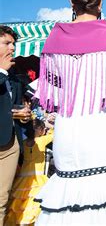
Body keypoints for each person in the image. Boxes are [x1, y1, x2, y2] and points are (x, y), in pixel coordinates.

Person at [33, 0, 106, 225]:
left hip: (69, 128)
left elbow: (51, 97)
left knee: (67, 201)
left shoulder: (54, 38)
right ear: (99, 4)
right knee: (104, 197)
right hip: (102, 127)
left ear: (72, 2)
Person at [0, 25, 29, 225]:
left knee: (2, 200)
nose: (12, 48)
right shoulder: (4, 73)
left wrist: (24, 116)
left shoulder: (12, 76)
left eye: (14, 44)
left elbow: (14, 106)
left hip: (9, 145)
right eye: (7, 43)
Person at [6, 120, 53, 225]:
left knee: (21, 203)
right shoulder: (41, 141)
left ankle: (19, 221)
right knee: (34, 204)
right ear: (40, 130)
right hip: (37, 178)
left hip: (22, 178)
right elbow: (54, 134)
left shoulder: (22, 143)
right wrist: (49, 126)